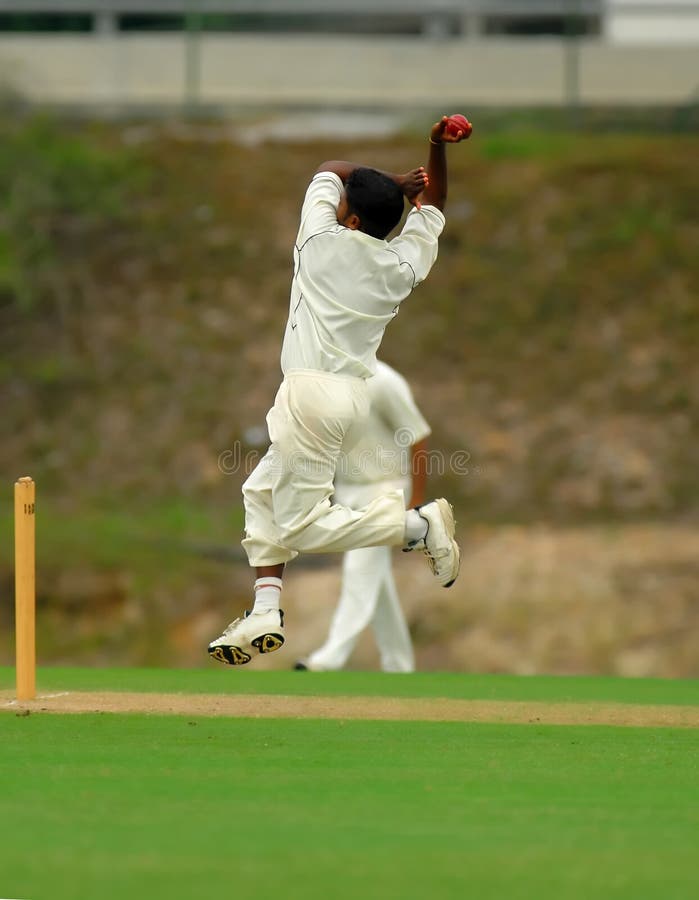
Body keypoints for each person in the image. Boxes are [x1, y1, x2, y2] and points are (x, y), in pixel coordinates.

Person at [208, 115, 469, 667]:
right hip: (345, 393)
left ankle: (417, 526)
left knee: (300, 522)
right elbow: (436, 207)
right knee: (260, 494)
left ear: (348, 218)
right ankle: (265, 608)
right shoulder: (401, 265)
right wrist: (434, 152)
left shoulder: (320, 240)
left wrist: (396, 177)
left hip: (310, 394)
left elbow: (329, 167)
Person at [295, 360, 430, 673]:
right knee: (375, 579)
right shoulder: (324, 384)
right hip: (348, 491)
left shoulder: (384, 382)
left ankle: (329, 658)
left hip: (386, 490)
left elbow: (418, 436)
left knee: (359, 570)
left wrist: (417, 498)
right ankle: (399, 664)